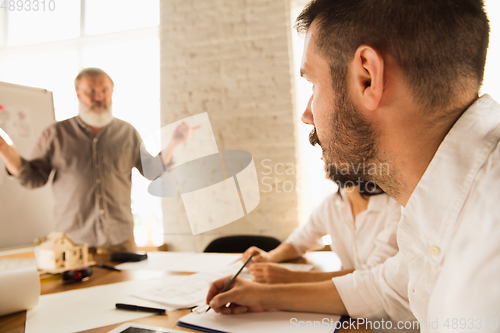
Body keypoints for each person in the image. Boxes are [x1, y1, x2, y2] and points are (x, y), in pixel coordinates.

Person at [207, 0, 500, 330]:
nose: (307, 114)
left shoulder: (488, 247)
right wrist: (262, 295)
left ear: (367, 77)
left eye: (314, 85)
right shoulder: (443, 200)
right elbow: (385, 289)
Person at [0, 68, 197, 253]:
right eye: (91, 91)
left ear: (112, 92)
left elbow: (152, 172)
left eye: (104, 90)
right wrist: (6, 151)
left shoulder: (127, 132)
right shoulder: (56, 134)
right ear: (78, 93)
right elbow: (33, 178)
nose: (98, 97)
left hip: (121, 242)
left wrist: (174, 142)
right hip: (73, 244)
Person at [243, 182, 401, 284]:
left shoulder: (396, 207)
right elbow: (302, 239)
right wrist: (269, 257)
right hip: (350, 299)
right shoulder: (332, 204)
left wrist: (292, 278)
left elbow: (372, 275)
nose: (322, 157)